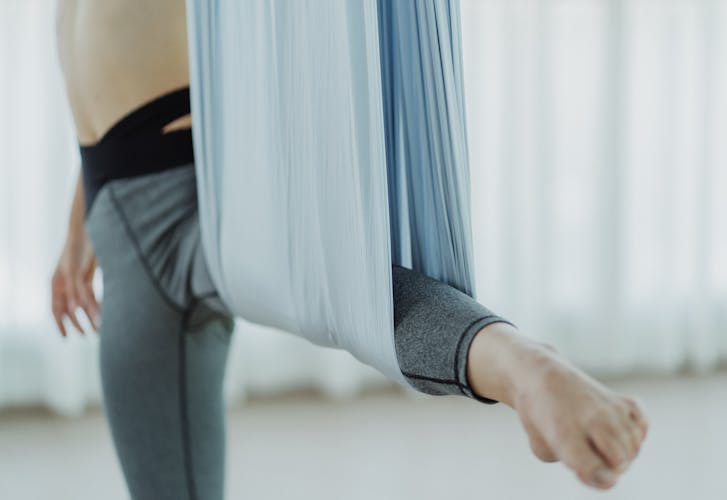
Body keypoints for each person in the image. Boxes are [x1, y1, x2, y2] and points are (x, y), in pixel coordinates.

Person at [50, 0, 648, 498]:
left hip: (199, 191)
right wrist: (81, 228)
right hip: (118, 223)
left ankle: (522, 365)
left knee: (352, 297)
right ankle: (517, 364)